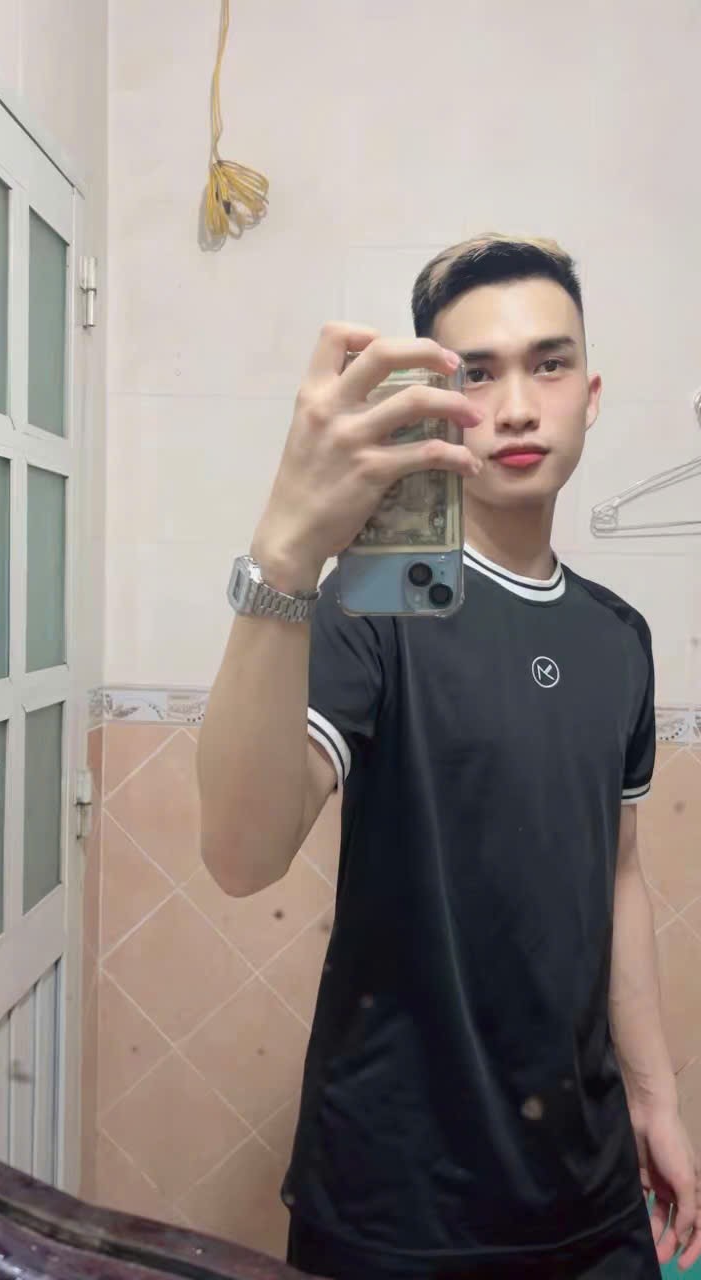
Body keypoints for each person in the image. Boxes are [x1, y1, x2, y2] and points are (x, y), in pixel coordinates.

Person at [196, 234, 701, 1279]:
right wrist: (287, 550)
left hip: (592, 1191)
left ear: (589, 395)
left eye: (548, 364)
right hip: (396, 1206)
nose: (515, 406)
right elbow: (241, 854)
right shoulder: (372, 605)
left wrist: (657, 1100)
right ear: (437, 402)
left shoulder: (620, 637)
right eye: (477, 373)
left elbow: (617, 875)